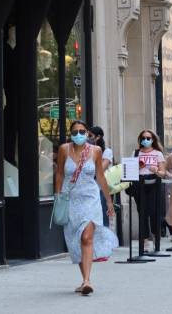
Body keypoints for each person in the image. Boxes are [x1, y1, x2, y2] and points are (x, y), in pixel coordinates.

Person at [54, 120, 118, 295]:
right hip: (71, 199)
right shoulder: (63, 149)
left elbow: (100, 176)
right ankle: (84, 279)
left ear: (88, 133)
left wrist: (109, 200)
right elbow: (59, 173)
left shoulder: (95, 151)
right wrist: (58, 195)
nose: (78, 135)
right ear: (70, 134)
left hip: (90, 198)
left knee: (86, 237)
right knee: (76, 239)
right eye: (74, 132)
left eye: (82, 131)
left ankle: (87, 280)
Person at [134, 129, 167, 252]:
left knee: (154, 212)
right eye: (143, 138)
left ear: (153, 139)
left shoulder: (158, 153)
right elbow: (130, 170)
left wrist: (156, 171)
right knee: (142, 213)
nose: (145, 140)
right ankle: (144, 241)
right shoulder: (136, 153)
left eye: (148, 138)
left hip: (153, 182)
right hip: (139, 183)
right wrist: (137, 167)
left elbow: (163, 173)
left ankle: (155, 238)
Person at [89, 126, 114, 227]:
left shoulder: (107, 151)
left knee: (103, 217)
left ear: (98, 137)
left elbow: (100, 170)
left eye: (90, 135)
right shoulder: (86, 151)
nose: (88, 138)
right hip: (88, 188)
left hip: (100, 188)